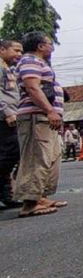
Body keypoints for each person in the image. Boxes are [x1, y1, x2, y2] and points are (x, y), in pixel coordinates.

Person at [14, 32, 67, 218]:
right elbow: (32, 87)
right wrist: (50, 110)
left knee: (52, 156)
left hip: (44, 118)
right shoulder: (30, 61)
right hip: (36, 117)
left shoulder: (39, 63)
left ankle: (40, 196)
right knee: (37, 157)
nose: (52, 47)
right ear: (40, 46)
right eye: (49, 44)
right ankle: (30, 202)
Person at [0, 38, 23, 210]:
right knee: (10, 154)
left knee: (11, 154)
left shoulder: (9, 69)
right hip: (5, 118)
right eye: (16, 50)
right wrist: (6, 112)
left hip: (14, 115)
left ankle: (7, 196)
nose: (19, 54)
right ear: (2, 49)